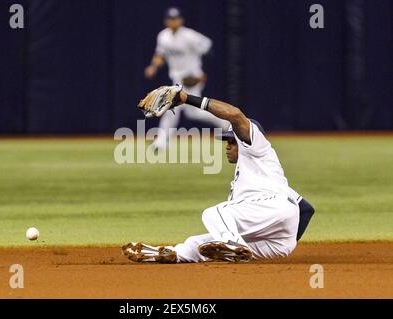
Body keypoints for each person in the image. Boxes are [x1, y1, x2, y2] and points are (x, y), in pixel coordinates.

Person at [124, 87, 315, 263]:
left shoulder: (259, 148)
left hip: (272, 211)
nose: (227, 146)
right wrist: (287, 236)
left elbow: (235, 115)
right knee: (198, 243)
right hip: (280, 242)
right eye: (227, 141)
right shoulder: (261, 174)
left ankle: (234, 244)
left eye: (232, 141)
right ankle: (163, 253)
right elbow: (306, 209)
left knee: (215, 213)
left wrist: (187, 98)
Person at [144, 7, 229, 150]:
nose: (173, 21)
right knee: (191, 112)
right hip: (177, 78)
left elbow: (208, 49)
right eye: (171, 19)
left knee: (171, 108)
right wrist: (153, 66)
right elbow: (160, 55)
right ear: (166, 21)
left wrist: (203, 73)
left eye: (176, 19)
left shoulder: (190, 36)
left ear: (181, 20)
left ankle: (161, 142)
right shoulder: (163, 36)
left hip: (192, 77)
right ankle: (223, 121)